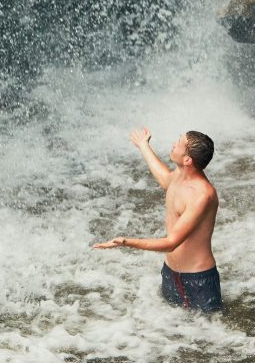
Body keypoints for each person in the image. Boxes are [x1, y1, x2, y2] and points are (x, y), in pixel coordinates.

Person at [93, 128, 222, 312]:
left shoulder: (202, 195)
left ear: (188, 160)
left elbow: (171, 243)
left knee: (206, 336)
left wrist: (125, 242)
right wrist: (144, 146)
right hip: (171, 273)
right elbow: (165, 180)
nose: (173, 144)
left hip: (198, 279)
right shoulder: (180, 175)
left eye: (179, 143)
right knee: (168, 333)